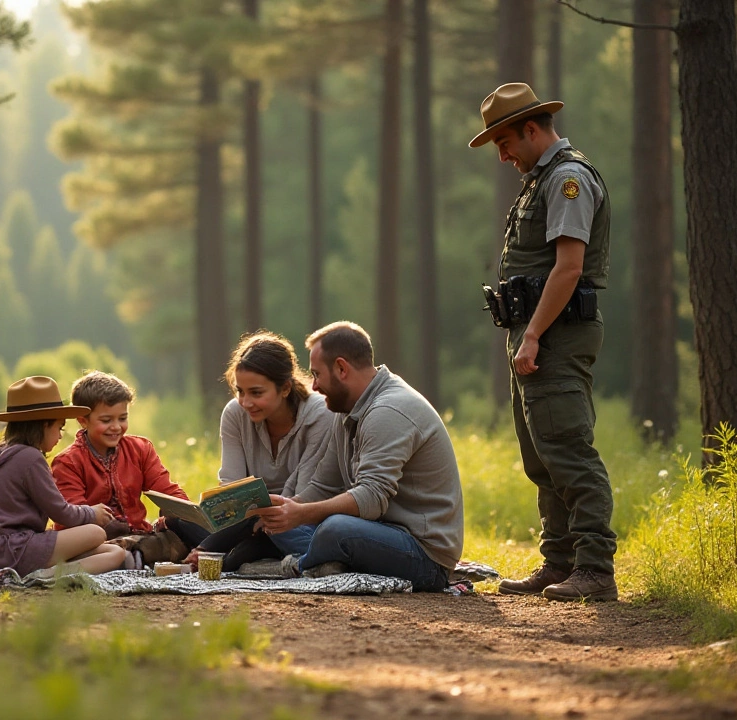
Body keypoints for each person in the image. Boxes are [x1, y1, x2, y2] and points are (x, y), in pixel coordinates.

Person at [470, 82, 617, 601]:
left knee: (568, 449)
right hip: (533, 336)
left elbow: (569, 267)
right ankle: (560, 562)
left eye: (505, 143)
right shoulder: (541, 179)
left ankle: (596, 569)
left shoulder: (568, 179)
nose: (503, 156)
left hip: (554, 335)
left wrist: (532, 335)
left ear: (531, 130)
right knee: (542, 454)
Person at [250, 322, 464, 592]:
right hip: (374, 532)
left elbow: (372, 498)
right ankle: (327, 563)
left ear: (341, 368)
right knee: (285, 524)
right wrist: (288, 510)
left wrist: (302, 514)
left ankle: (302, 565)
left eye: (316, 374)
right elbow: (324, 485)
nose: (313, 386)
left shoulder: (388, 411)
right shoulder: (347, 411)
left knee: (336, 529)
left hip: (423, 555)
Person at [184, 331, 331, 570]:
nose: (245, 402)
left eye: (256, 393)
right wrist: (244, 517)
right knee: (177, 518)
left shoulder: (320, 416)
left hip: (297, 520)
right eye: (240, 391)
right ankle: (223, 550)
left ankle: (209, 550)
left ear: (284, 388)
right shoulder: (235, 413)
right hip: (248, 520)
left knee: (246, 551)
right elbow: (231, 488)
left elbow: (302, 497)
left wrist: (256, 519)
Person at [0, 376, 127, 577]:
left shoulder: (3, 453)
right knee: (96, 533)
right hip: (10, 549)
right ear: (43, 425)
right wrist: (92, 513)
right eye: (59, 427)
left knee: (114, 553)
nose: (60, 435)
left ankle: (52, 571)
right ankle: (42, 576)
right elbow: (61, 512)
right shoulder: (29, 458)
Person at [51, 371, 208, 564]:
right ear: (83, 420)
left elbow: (166, 490)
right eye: (106, 420)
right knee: (98, 545)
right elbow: (72, 515)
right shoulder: (68, 462)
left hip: (140, 534)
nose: (116, 427)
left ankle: (137, 556)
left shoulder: (140, 449)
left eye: (122, 418)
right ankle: (133, 557)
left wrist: (189, 514)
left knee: (177, 530)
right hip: (96, 539)